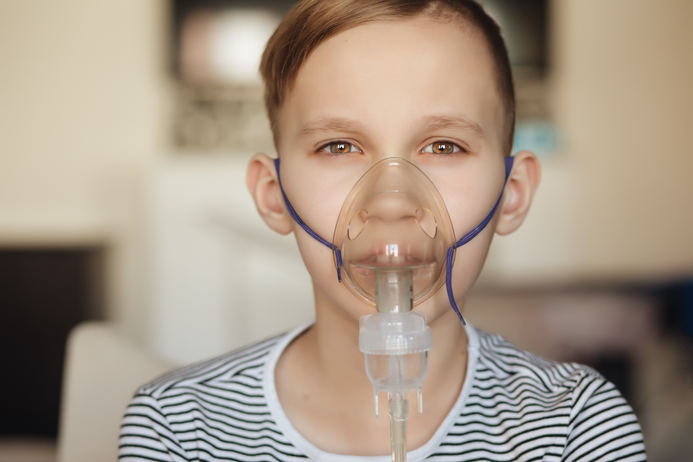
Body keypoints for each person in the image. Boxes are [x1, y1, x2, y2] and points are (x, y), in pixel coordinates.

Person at [119, 1, 647, 461]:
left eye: (444, 147)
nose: (392, 200)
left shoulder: (573, 428)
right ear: (274, 194)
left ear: (511, 193)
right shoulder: (178, 429)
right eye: (339, 147)